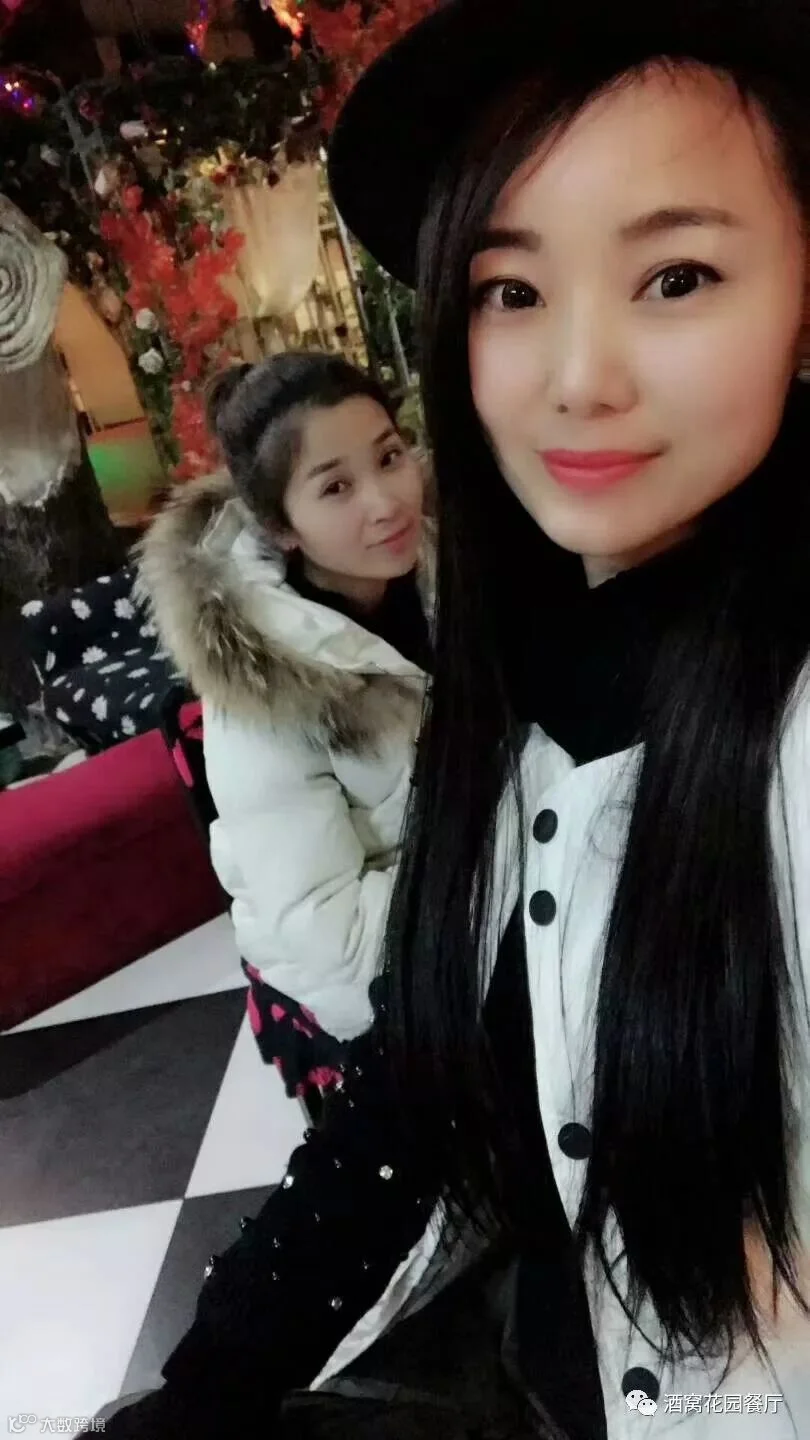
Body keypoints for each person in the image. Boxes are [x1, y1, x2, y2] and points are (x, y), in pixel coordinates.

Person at [103, 1, 810, 1435]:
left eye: (676, 276)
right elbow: (421, 1080)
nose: (577, 378)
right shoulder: (509, 665)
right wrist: (204, 1388)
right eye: (510, 290)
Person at [139, 353, 432, 1093]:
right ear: (281, 526)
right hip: (382, 981)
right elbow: (340, 954)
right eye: (335, 487)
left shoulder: (443, 574)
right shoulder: (263, 693)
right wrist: (510, 849)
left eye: (389, 457)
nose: (387, 502)